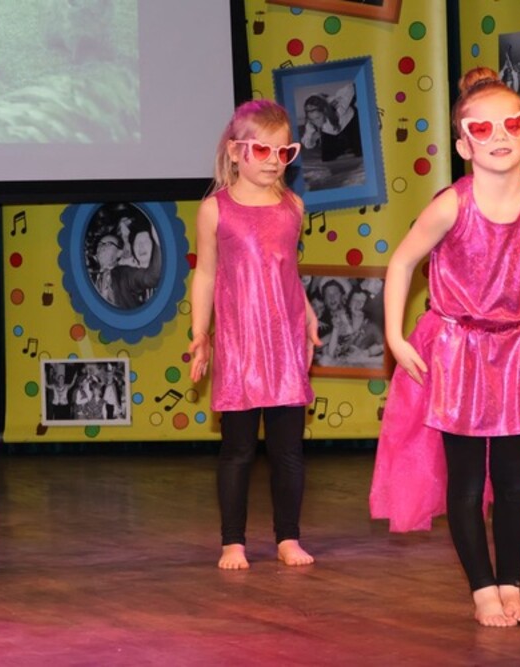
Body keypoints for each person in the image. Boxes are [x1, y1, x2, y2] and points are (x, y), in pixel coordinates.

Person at [369, 67, 520, 628]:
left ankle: (511, 584)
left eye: (513, 123)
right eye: (482, 129)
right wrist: (394, 336)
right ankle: (483, 590)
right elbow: (402, 262)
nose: (500, 136)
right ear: (464, 145)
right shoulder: (451, 206)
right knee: (466, 482)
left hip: (518, 353)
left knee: (512, 480)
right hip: (458, 353)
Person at [189, 99, 320, 571]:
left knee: (288, 450)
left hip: (284, 342)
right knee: (238, 450)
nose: (273, 161)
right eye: (262, 150)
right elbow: (206, 274)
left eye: (284, 152)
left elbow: (287, 270)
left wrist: (307, 314)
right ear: (235, 151)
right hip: (241, 343)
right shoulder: (215, 210)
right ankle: (233, 541)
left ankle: (288, 536)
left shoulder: (293, 207)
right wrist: (200, 334)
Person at [301, 84, 363, 162]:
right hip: (332, 131)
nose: (316, 122)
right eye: (312, 119)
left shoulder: (338, 108)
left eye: (318, 118)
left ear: (324, 112)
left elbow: (351, 88)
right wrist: (312, 139)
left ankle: (349, 146)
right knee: (327, 158)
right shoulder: (311, 124)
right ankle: (344, 147)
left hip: (350, 123)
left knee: (360, 151)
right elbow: (306, 141)